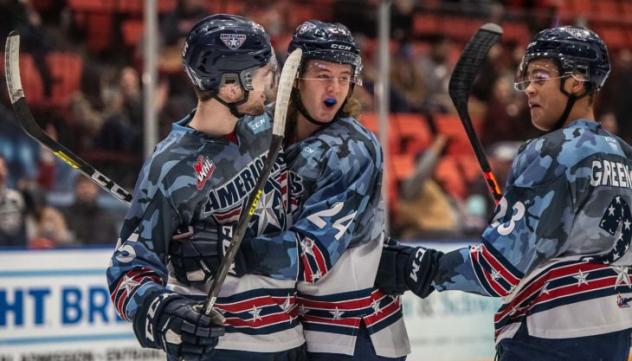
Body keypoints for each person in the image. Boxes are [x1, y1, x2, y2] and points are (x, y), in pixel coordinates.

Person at [376, 26, 632, 361]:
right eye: (527, 78)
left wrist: (416, 266)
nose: (529, 89)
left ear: (577, 80)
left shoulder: (551, 152)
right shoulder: (625, 155)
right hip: (614, 335)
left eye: (540, 76)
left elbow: (497, 271)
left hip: (548, 338)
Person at [184, 20, 411, 360]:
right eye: (322, 74)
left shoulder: (352, 149)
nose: (335, 86)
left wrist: (228, 249)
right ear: (294, 75)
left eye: (344, 76)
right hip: (297, 329)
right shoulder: (261, 127)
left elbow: (312, 256)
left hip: (356, 335)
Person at [106, 14, 306, 361]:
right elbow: (128, 269)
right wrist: (165, 311)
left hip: (290, 339)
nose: (270, 86)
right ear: (231, 87)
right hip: (224, 348)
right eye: (263, 77)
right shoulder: (170, 168)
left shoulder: (270, 127)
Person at [62, 175, 118, 245]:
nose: (86, 191)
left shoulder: (106, 216)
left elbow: (113, 242)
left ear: (97, 189)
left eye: (89, 187)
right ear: (75, 189)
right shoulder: (65, 214)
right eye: (82, 187)